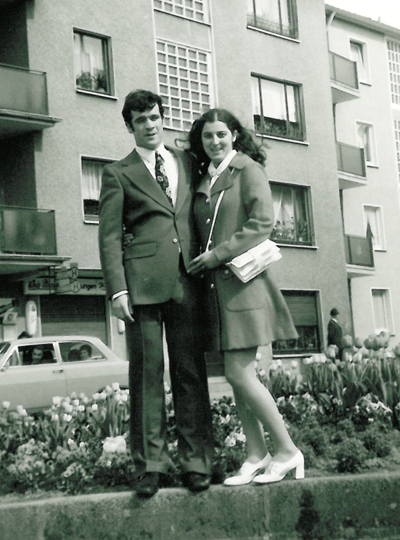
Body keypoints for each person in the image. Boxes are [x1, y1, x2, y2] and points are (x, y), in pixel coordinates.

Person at [98, 89, 213, 497]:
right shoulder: (118, 173)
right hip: (141, 287)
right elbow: (109, 237)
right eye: (141, 120)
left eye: (154, 117)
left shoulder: (187, 161)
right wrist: (117, 291)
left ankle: (196, 464)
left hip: (186, 281)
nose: (150, 125)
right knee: (147, 375)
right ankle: (150, 467)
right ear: (129, 127)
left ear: (163, 118)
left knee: (190, 373)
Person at [188, 108, 304, 486]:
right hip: (217, 293)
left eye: (222, 134)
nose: (215, 141)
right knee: (239, 377)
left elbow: (262, 223)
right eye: (208, 136)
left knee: (238, 372)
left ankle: (287, 450)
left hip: (244, 287)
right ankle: (256, 454)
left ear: (234, 135)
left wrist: (217, 255)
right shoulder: (206, 176)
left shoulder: (248, 170)